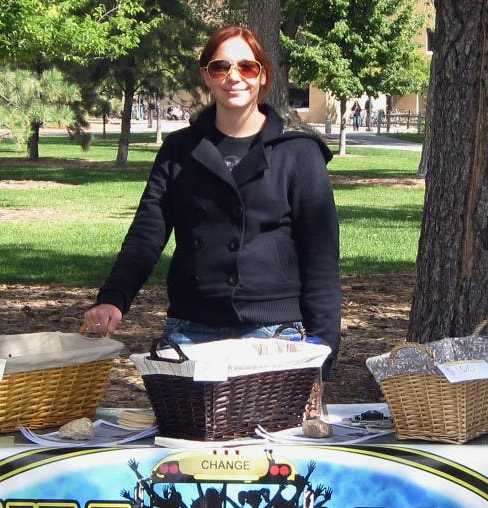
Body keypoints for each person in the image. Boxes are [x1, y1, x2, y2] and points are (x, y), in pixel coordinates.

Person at [83, 25, 341, 379]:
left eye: (247, 67)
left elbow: (321, 258)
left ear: (263, 76)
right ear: (206, 75)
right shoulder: (179, 151)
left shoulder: (298, 153)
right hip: (191, 328)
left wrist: (323, 346)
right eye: (221, 67)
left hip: (274, 333)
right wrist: (113, 297)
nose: (234, 77)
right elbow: (148, 232)